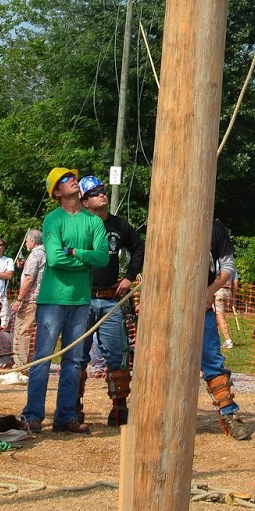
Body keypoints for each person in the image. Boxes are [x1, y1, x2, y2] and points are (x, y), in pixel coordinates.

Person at [21, 168, 109, 435]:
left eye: (73, 177)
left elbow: (103, 257)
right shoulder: (52, 219)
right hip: (52, 300)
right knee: (43, 357)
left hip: (80, 300)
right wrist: (84, 261)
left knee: (74, 360)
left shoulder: (93, 221)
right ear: (57, 192)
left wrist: (73, 251)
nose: (73, 179)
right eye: (65, 179)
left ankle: (66, 416)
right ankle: (32, 415)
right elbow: (55, 259)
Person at [75, 175, 145, 426]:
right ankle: (73, 408)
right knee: (77, 357)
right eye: (94, 192)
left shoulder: (119, 225)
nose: (101, 194)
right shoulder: (77, 225)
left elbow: (139, 248)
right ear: (84, 201)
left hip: (109, 299)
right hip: (82, 300)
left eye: (102, 190)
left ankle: (119, 409)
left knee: (117, 356)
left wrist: (128, 277)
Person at [201, 218, 249, 438]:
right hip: (169, 306)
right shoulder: (169, 222)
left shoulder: (215, 228)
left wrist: (210, 290)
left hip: (201, 306)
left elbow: (228, 266)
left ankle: (228, 413)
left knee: (212, 360)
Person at [8, 228, 45, 382]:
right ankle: (26, 366)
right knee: (31, 333)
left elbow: (29, 279)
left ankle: (21, 367)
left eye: (27, 241)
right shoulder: (46, 253)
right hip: (41, 299)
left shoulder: (35, 255)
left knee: (22, 332)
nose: (25, 244)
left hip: (30, 300)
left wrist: (19, 299)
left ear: (33, 241)